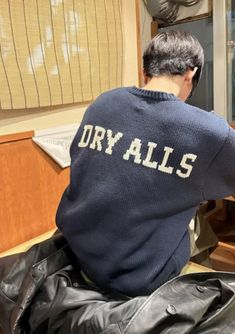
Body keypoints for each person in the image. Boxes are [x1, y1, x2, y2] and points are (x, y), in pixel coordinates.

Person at [56, 30, 235, 297]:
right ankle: (196, 288)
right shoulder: (208, 130)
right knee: (196, 219)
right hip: (139, 277)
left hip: (76, 253)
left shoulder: (103, 103)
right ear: (190, 74)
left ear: (145, 71)